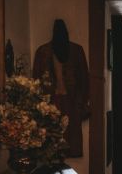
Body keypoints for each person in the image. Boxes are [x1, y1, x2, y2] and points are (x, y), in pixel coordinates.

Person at [32, 19, 90, 157]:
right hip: (50, 102)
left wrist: (81, 102)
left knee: (70, 138)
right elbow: (36, 81)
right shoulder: (43, 51)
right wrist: (39, 105)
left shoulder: (76, 50)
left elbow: (84, 80)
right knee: (50, 138)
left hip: (71, 101)